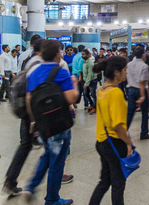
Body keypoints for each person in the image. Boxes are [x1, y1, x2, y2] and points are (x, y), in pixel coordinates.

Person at [23, 40, 79, 205]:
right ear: (57, 54)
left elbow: (29, 100)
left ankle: (31, 187)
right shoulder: (60, 72)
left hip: (43, 123)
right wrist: (74, 84)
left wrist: (34, 122)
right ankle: (52, 200)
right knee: (57, 163)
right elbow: (71, 98)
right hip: (60, 124)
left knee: (48, 154)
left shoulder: (34, 73)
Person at [89, 56, 132, 205]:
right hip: (114, 143)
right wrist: (128, 143)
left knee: (105, 181)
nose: (126, 73)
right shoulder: (115, 93)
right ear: (116, 72)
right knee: (118, 183)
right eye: (125, 70)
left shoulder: (102, 89)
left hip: (102, 141)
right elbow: (117, 126)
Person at [126, 46, 149, 140]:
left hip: (130, 90)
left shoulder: (129, 64)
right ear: (143, 55)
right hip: (140, 90)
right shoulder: (144, 66)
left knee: (130, 112)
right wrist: (142, 96)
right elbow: (142, 82)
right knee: (145, 112)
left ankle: (123, 132)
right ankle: (144, 133)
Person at [82, 49, 98, 114]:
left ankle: (95, 107)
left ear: (88, 55)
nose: (82, 55)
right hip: (86, 80)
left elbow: (90, 75)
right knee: (86, 94)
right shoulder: (84, 61)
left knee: (93, 94)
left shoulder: (90, 63)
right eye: (82, 54)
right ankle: (91, 104)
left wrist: (86, 84)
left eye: (84, 54)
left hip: (92, 81)